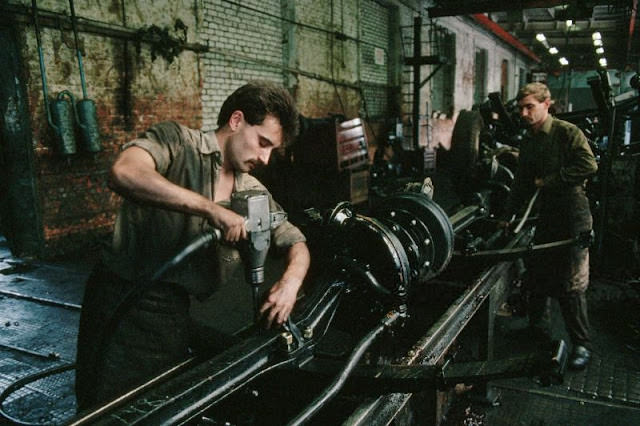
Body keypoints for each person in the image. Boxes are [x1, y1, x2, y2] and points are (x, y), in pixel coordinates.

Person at [75, 81, 310, 410]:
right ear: (237, 120)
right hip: (121, 300)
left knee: (157, 407)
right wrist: (211, 209)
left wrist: (290, 284)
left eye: (272, 149)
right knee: (105, 409)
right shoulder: (176, 142)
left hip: (172, 311)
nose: (265, 158)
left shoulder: (251, 189)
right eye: (262, 143)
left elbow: (295, 241)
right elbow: (124, 172)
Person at [501, 82, 598, 370]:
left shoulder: (568, 133)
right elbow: (521, 182)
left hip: (572, 215)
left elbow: (589, 165)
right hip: (548, 216)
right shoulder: (529, 140)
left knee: (571, 284)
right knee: (538, 274)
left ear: (547, 104)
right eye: (521, 108)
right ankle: (538, 329)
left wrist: (551, 180)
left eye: (529, 106)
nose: (524, 113)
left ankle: (582, 344)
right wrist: (509, 215)